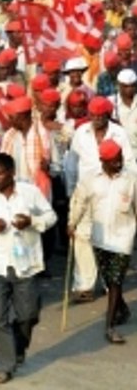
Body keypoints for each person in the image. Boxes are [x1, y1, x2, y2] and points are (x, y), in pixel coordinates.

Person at [0, 153, 57, 385]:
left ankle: (18, 347)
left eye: (0, 173)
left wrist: (31, 221)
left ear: (12, 173)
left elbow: (51, 216)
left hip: (26, 263)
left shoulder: (29, 192)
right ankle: (5, 365)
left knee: (28, 314)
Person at [68, 139, 137, 344]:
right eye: (113, 161)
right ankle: (122, 309)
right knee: (108, 279)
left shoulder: (131, 179)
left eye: (120, 159)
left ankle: (109, 326)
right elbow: (79, 202)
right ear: (102, 161)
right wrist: (72, 223)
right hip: (99, 237)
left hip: (123, 237)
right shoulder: (90, 180)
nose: (118, 163)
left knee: (115, 281)